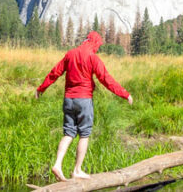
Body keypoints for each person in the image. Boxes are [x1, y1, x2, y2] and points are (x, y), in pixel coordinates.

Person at [36, 30, 132, 181]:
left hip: (68, 99)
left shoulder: (70, 54)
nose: (98, 48)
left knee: (68, 133)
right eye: (98, 45)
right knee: (84, 135)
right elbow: (106, 79)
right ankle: (77, 170)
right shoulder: (93, 58)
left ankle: (57, 164)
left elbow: (55, 73)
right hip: (84, 100)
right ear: (95, 43)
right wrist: (125, 94)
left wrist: (41, 88)